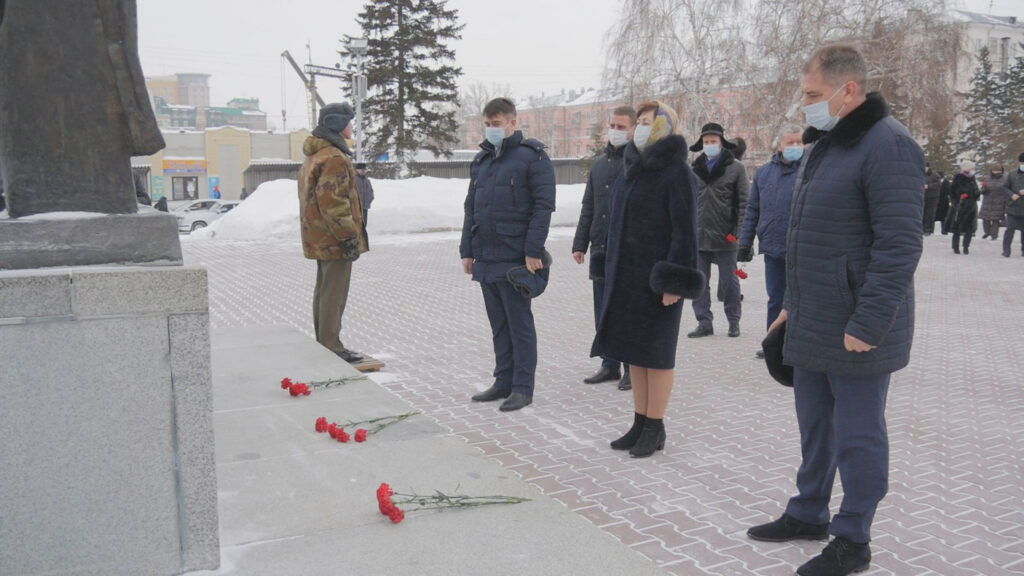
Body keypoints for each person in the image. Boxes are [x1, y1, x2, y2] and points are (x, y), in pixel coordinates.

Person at [746, 45, 924, 576]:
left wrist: (868, 323)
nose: (806, 106)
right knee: (816, 426)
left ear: (849, 90)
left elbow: (899, 246)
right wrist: (788, 311)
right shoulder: (830, 144)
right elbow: (811, 238)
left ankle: (854, 537)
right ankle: (808, 512)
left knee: (858, 435)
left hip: (858, 328)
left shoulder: (888, 146)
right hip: (813, 319)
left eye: (813, 95)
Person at [591, 100, 703, 458]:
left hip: (659, 283)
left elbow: (685, 232)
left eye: (646, 122)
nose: (639, 127)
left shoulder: (677, 172)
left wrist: (675, 281)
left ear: (664, 127)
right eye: (637, 121)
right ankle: (640, 421)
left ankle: (655, 427)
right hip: (628, 278)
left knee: (657, 356)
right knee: (635, 354)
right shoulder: (632, 169)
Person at [460, 98, 556, 412]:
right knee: (499, 325)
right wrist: (467, 250)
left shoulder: (533, 158)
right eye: (487, 124)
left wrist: (532, 251)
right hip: (487, 255)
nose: (492, 130)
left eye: (497, 124)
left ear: (513, 123)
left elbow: (543, 208)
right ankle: (503, 381)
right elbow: (470, 208)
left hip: (516, 257)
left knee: (519, 324)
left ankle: (522, 387)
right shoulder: (482, 160)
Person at [298, 102, 368, 364]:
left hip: (319, 235)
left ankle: (324, 341)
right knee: (334, 292)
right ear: (338, 124)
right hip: (334, 237)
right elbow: (334, 202)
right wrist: (349, 236)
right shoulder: (334, 158)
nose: (352, 127)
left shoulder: (315, 155)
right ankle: (331, 345)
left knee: (324, 290)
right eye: (349, 122)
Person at [573, 106, 636, 391]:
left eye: (622, 126)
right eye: (612, 125)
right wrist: (580, 243)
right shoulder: (599, 165)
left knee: (624, 311)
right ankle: (608, 363)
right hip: (600, 249)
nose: (616, 130)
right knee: (602, 310)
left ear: (634, 129)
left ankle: (630, 367)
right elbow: (589, 206)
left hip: (627, 251)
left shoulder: (638, 163)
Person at [738, 124, 804, 359]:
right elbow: (752, 209)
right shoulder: (764, 173)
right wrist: (744, 243)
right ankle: (773, 344)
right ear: (780, 145)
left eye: (799, 142)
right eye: (790, 142)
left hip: (804, 250)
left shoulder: (810, 170)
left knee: (802, 299)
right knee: (776, 298)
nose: (795, 146)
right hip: (774, 247)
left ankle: (799, 347)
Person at [687, 122, 749, 339]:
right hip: (699, 234)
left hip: (727, 235)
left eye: (713, 141)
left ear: (722, 142)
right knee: (699, 282)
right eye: (706, 142)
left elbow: (744, 203)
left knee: (729, 281)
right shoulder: (694, 169)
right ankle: (704, 322)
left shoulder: (736, 168)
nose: (710, 145)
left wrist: (740, 232)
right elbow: (687, 203)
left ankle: (733, 321)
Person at [948, 160, 980, 255]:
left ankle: (966, 246)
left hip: (971, 206)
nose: (973, 170)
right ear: (967, 169)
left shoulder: (972, 178)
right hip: (960, 206)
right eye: (972, 168)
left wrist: (977, 193)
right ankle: (955, 247)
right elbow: (952, 192)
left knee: (969, 228)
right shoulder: (958, 178)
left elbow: (975, 191)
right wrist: (957, 200)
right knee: (957, 227)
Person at [1003, 152, 1024, 258]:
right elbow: (1005, 187)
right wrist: (1012, 195)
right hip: (1013, 207)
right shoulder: (1012, 174)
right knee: (1010, 229)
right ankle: (1006, 250)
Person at [979, 164, 1007, 240]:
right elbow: (982, 190)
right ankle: (987, 232)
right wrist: (983, 188)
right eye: (994, 170)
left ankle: (994, 235)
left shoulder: (1005, 179)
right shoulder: (988, 178)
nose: (996, 172)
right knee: (985, 219)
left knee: (995, 219)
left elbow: (1006, 190)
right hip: (987, 201)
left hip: (999, 202)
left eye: (998, 170)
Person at [922, 162, 941, 235]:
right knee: (923, 213)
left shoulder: (935, 175)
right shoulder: (921, 174)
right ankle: (922, 228)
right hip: (923, 196)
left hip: (932, 197)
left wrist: (929, 186)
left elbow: (938, 184)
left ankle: (929, 229)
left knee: (930, 213)